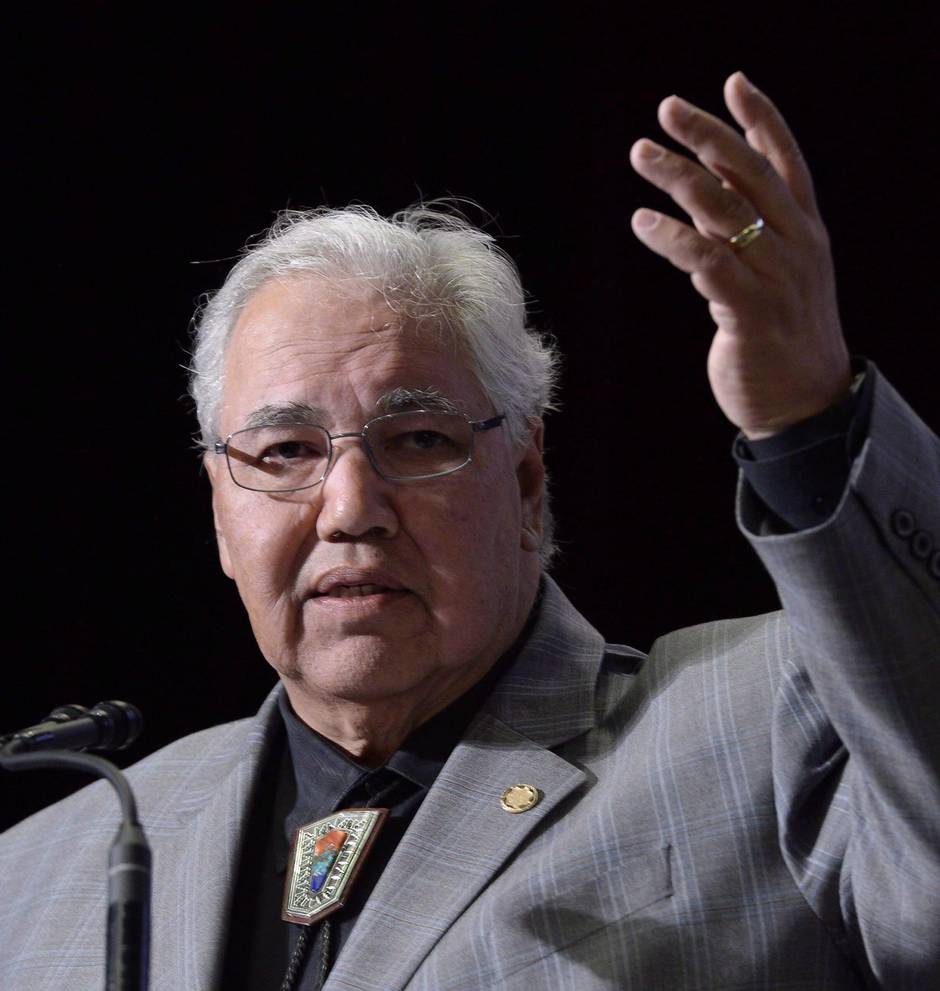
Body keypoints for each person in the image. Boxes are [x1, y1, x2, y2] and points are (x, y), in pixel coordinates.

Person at [1, 72, 937, 990]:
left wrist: (810, 422)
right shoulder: (41, 869)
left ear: (527, 482)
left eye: (418, 439)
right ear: (220, 510)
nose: (350, 507)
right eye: (285, 451)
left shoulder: (765, 724)